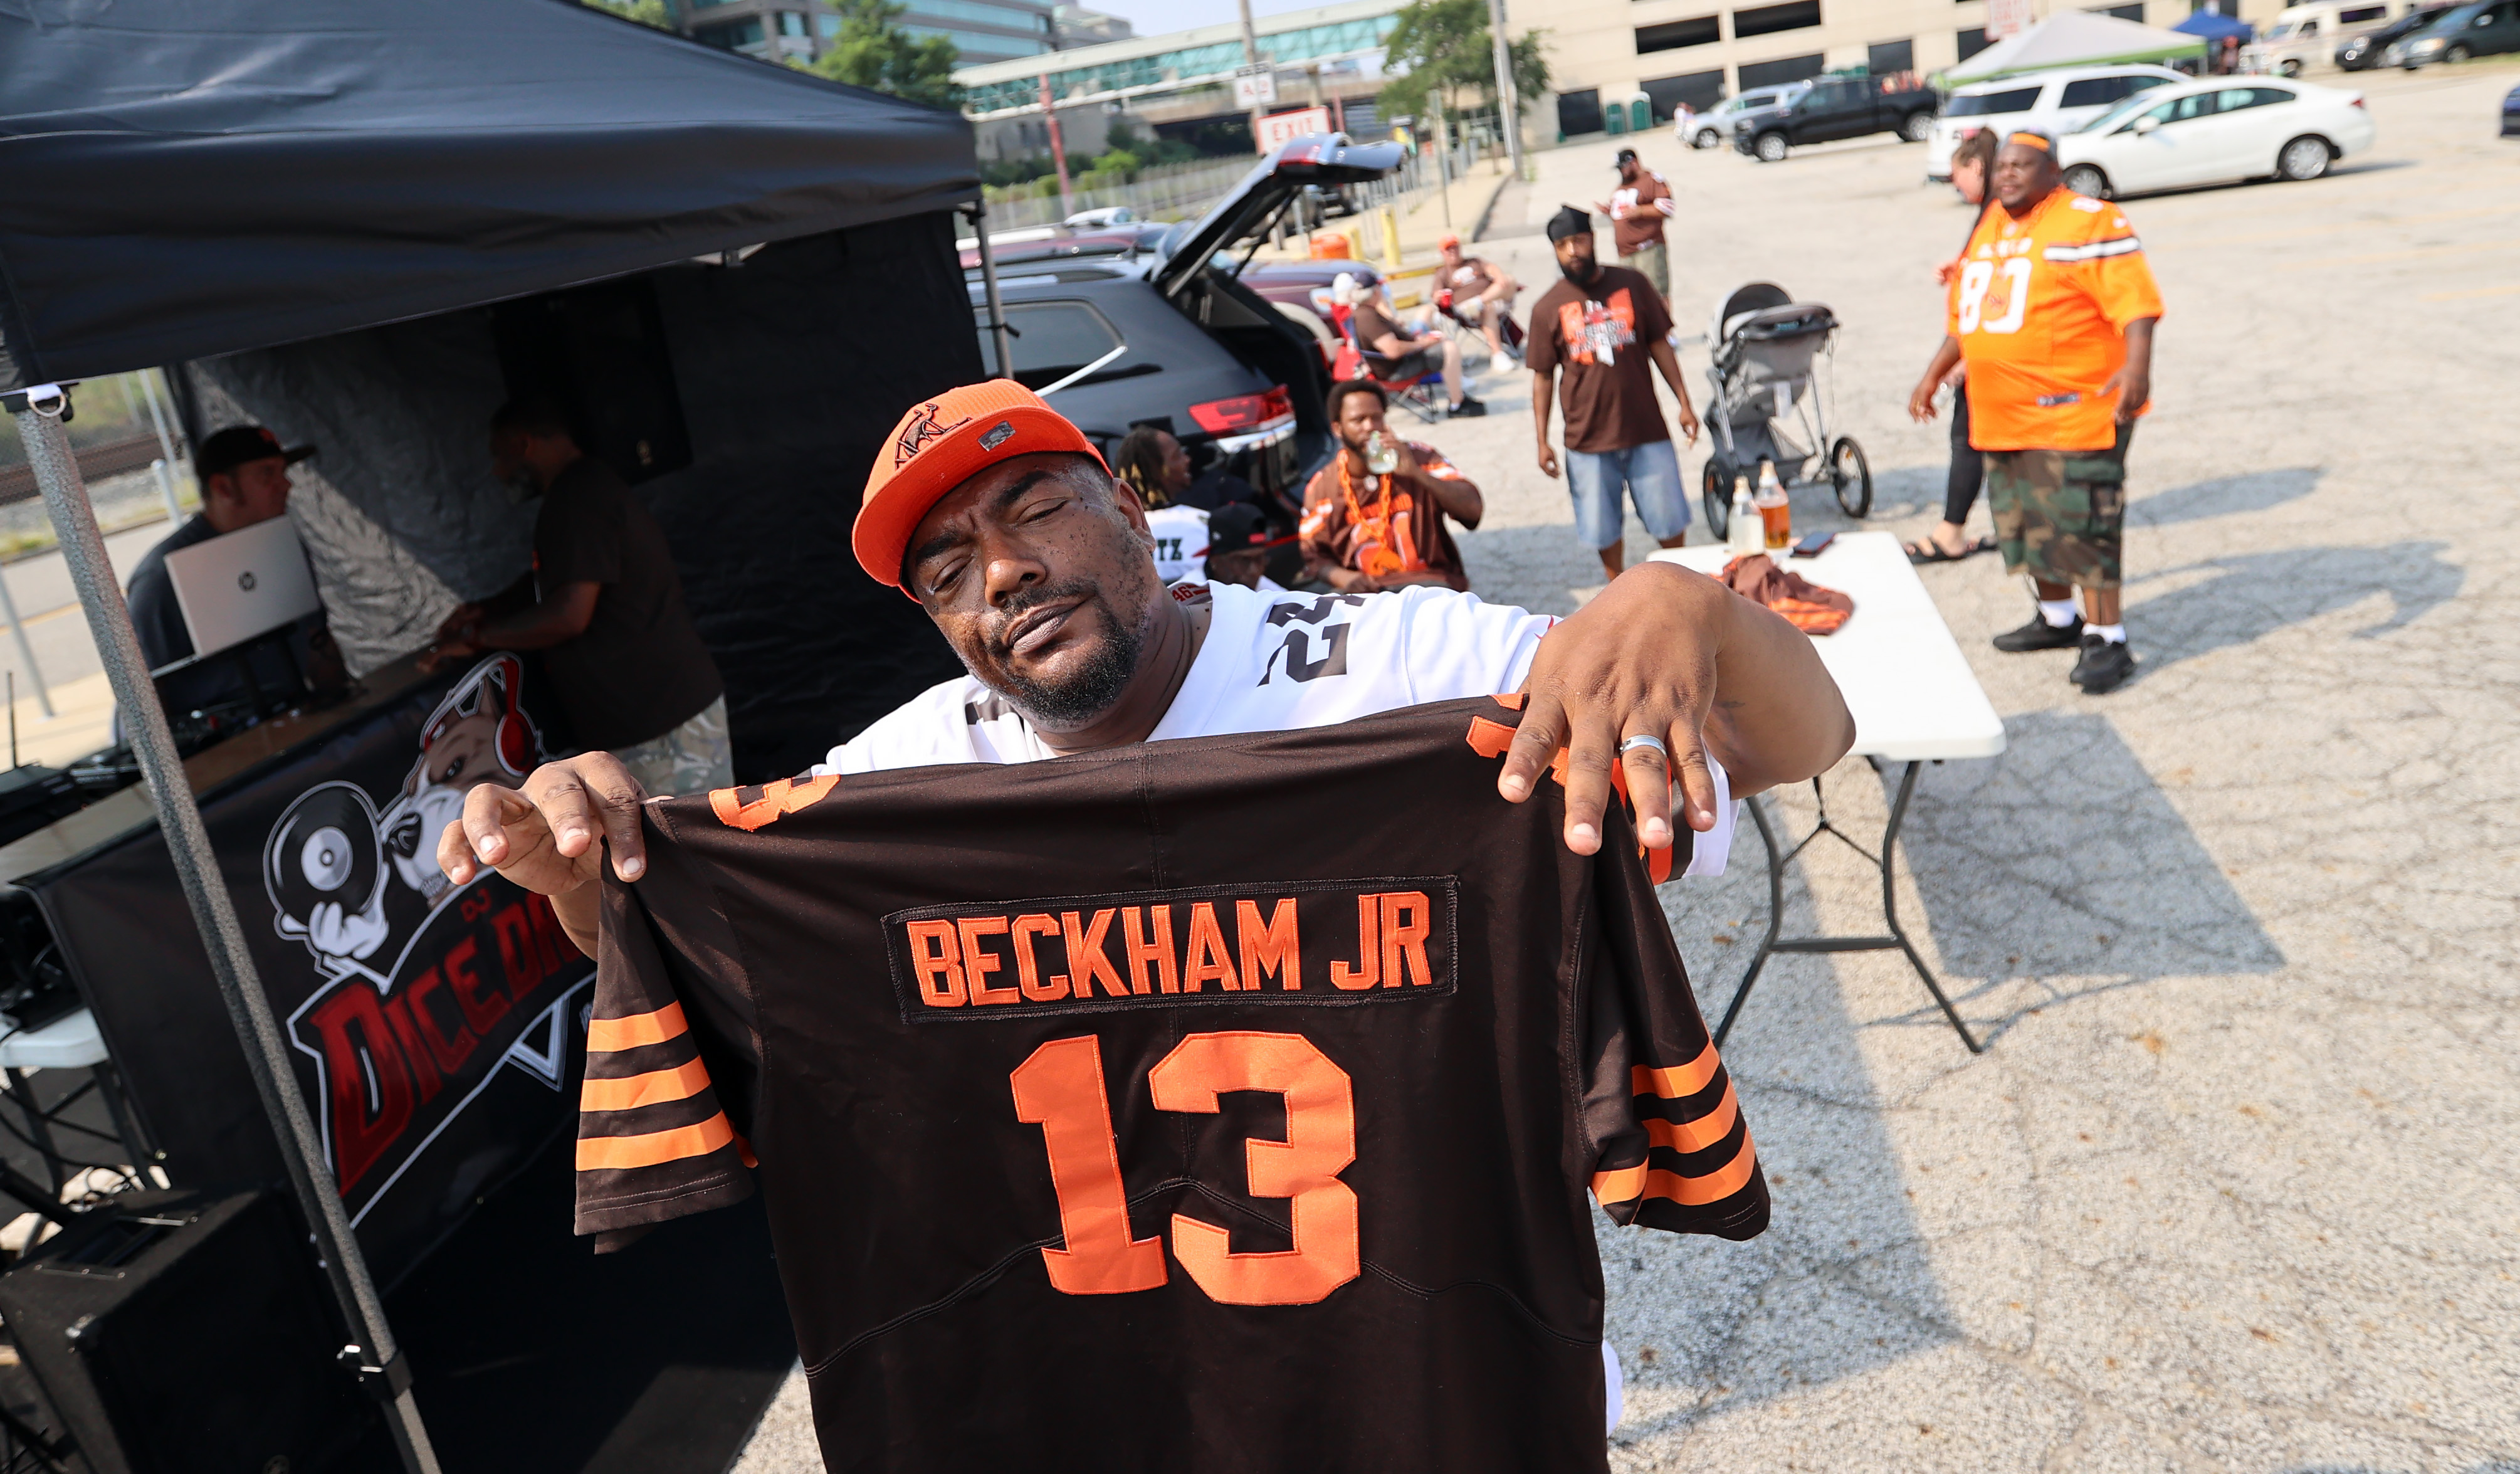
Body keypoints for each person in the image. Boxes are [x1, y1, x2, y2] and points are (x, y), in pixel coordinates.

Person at [443, 372, 1852, 968]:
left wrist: (1690, 608)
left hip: (1460, 1365)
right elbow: (691, 940)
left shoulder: (1404, 665)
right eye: (943, 574)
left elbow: (1793, 746)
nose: (997, 575)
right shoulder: (902, 775)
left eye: (1031, 509)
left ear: (1127, 498)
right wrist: (582, 880)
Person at [1905, 132, 2162, 695]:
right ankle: (2058, 619)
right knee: (2024, 523)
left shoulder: (2089, 219)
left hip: (2075, 408)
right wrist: (1933, 373)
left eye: (2024, 166)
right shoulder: (1993, 223)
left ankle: (2108, 636)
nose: (2009, 176)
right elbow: (1966, 317)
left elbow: (2137, 303)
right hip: (2003, 412)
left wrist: (2137, 368)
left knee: (2083, 525)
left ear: (2055, 171)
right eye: (2002, 167)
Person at [423, 399, 732, 793]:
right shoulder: (582, 489)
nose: (498, 472)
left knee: (690, 847)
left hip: (660, 725)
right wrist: (485, 610)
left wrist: (477, 639)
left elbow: (570, 615)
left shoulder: (578, 498)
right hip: (656, 717)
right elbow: (558, 576)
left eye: (500, 457)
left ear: (523, 445)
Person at [1528, 207, 1704, 579]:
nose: (1572, 250)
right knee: (1604, 530)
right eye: (1562, 245)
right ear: (1555, 252)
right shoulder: (1547, 307)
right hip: (1587, 440)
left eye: (1578, 240)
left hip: (1646, 429)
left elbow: (1660, 346)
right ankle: (1617, 591)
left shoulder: (1633, 284)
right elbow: (1542, 377)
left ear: (1593, 238)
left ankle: (1679, 590)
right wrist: (1542, 441)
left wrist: (1685, 404)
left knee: (1670, 522)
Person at [125, 424, 346, 715]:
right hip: (225, 746)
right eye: (267, 473)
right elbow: (149, 698)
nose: (286, 485)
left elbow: (316, 638)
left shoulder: (283, 546)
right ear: (224, 488)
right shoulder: (161, 578)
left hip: (292, 723)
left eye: (283, 472)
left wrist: (343, 711)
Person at [1908, 126, 2004, 566]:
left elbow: (1993, 297)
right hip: (1983, 347)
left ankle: (1950, 532)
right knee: (1981, 439)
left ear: (1977, 167)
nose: (1955, 185)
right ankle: (2003, 522)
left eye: (1957, 175)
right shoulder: (1995, 212)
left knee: (1968, 438)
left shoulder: (1999, 212)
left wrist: (1958, 362)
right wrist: (1961, 266)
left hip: (1987, 351)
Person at [1299, 380, 1481, 594]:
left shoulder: (1418, 458)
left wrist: (1417, 474)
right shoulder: (1323, 487)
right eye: (1359, 420)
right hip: (1366, 593)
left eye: (1376, 418)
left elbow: (1474, 512)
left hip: (1430, 585)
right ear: (1338, 429)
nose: (1370, 427)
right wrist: (1346, 578)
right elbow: (1313, 555)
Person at [1338, 274, 1485, 418]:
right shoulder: (1368, 318)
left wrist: (1419, 340)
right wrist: (1422, 344)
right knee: (1449, 349)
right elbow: (1393, 350)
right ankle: (1457, 404)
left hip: (1397, 363)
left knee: (1441, 342)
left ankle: (1457, 394)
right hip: (1396, 371)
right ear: (1376, 292)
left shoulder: (1365, 312)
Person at [1110, 426, 1210, 583]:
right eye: (1177, 456)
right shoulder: (1202, 523)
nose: (1187, 460)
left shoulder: (1113, 528)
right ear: (1156, 469)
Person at [1595, 148, 1675, 299]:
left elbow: (1668, 207)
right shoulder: (1621, 187)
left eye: (1624, 167)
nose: (1622, 172)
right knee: (1633, 298)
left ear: (1634, 162)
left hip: (1648, 248)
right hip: (1626, 254)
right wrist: (1609, 211)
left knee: (1656, 294)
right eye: (1619, 169)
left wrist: (1640, 211)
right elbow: (1621, 215)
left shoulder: (1651, 180)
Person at [1436, 231, 1522, 363]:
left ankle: (1479, 301)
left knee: (1509, 279)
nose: (1453, 252)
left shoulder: (1474, 261)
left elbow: (1492, 268)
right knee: (1488, 308)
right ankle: (1498, 355)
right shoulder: (1442, 273)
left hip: (1491, 299)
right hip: (1466, 309)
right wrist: (1440, 297)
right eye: (1449, 250)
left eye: (1455, 247)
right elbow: (1436, 295)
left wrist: (1499, 277)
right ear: (1443, 253)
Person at [1199, 502, 1281, 591]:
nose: (1254, 571)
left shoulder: (1268, 590)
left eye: (1259, 559)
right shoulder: (1188, 599)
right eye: (1244, 560)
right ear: (1214, 561)